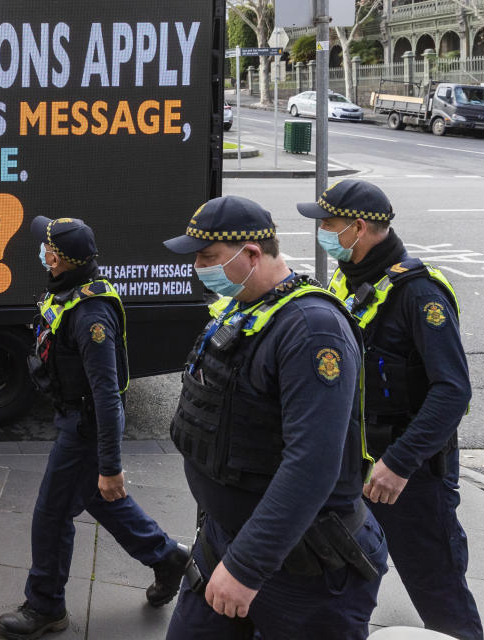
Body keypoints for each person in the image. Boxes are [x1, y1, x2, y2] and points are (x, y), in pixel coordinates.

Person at [162, 196, 387, 640]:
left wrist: (247, 566)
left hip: (302, 567)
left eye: (208, 257)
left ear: (251, 255)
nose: (197, 268)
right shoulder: (247, 306)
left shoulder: (311, 328)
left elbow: (312, 464)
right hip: (227, 540)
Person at [298, 180, 482, 640]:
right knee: (338, 586)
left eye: (329, 224)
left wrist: (398, 464)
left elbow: (453, 391)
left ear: (359, 227)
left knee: (438, 591)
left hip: (409, 478)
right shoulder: (349, 277)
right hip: (353, 468)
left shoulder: (419, 295)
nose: (321, 231)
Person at [0, 216, 189, 640]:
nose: (41, 251)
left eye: (47, 247)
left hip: (84, 429)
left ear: (60, 258)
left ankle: (46, 606)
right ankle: (167, 558)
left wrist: (110, 465)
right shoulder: (68, 291)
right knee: (99, 501)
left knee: (51, 515)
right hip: (73, 419)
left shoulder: (91, 315)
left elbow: (107, 396)